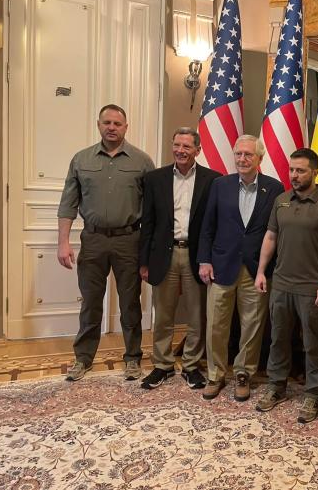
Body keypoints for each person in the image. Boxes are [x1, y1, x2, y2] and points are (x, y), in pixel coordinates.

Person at [57, 104, 155, 381]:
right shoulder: (81, 160)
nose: (112, 127)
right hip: (93, 240)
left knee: (130, 303)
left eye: (117, 123)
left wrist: (149, 250)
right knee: (90, 302)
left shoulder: (142, 162)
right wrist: (63, 243)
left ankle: (133, 358)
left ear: (126, 127)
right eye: (107, 122)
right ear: (98, 125)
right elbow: (68, 205)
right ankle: (83, 358)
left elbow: (152, 210)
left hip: (129, 241)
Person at [253, 148, 318, 423]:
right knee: (278, 338)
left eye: (301, 170)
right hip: (280, 284)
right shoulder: (281, 201)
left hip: (311, 288)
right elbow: (270, 237)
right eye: (292, 170)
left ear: (315, 172)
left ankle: (313, 393)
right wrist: (261, 272)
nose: (294, 175)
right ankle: (276, 386)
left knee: (313, 343)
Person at [197, 135, 284, 402]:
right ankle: (216, 374)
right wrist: (204, 259)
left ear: (260, 158)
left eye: (248, 154)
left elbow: (276, 231)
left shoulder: (275, 188)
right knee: (216, 325)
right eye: (238, 154)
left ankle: (244, 373)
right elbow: (207, 225)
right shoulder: (219, 185)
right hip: (221, 266)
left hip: (256, 269)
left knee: (252, 325)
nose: (242, 159)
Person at [137, 127, 221, 390]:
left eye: (186, 147)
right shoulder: (155, 179)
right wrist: (144, 261)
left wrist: (210, 258)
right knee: (163, 314)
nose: (180, 151)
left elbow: (214, 225)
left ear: (198, 150)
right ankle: (162, 365)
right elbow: (147, 223)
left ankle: (191, 366)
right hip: (164, 255)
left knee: (197, 316)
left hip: (197, 256)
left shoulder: (213, 180)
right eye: (177, 145)